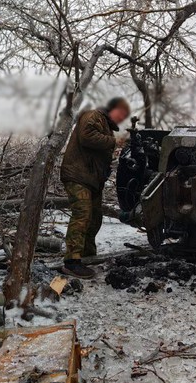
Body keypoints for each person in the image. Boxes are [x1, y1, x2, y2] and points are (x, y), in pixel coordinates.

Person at [60, 97, 130, 278]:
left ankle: (87, 256)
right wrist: (114, 141)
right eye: (120, 114)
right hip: (78, 175)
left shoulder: (105, 125)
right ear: (111, 108)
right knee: (82, 214)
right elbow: (87, 136)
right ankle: (72, 262)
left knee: (95, 217)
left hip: (92, 180)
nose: (121, 118)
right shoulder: (94, 116)